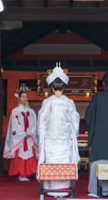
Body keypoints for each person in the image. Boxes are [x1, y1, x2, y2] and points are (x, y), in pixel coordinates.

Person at [37, 63, 80, 197]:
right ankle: (64, 189)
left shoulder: (47, 102)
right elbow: (75, 121)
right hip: (65, 140)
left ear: (51, 87)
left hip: (50, 140)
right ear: (64, 86)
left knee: (51, 161)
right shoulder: (69, 102)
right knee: (64, 162)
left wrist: (41, 135)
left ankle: (51, 189)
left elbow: (41, 123)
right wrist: (74, 133)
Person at [3, 84, 38, 181]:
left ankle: (27, 173)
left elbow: (35, 124)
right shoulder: (15, 111)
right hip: (20, 137)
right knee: (20, 154)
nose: (25, 98)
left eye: (26, 97)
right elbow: (14, 125)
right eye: (23, 97)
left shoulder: (31, 112)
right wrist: (23, 134)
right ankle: (21, 174)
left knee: (29, 154)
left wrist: (30, 133)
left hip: (29, 137)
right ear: (19, 98)